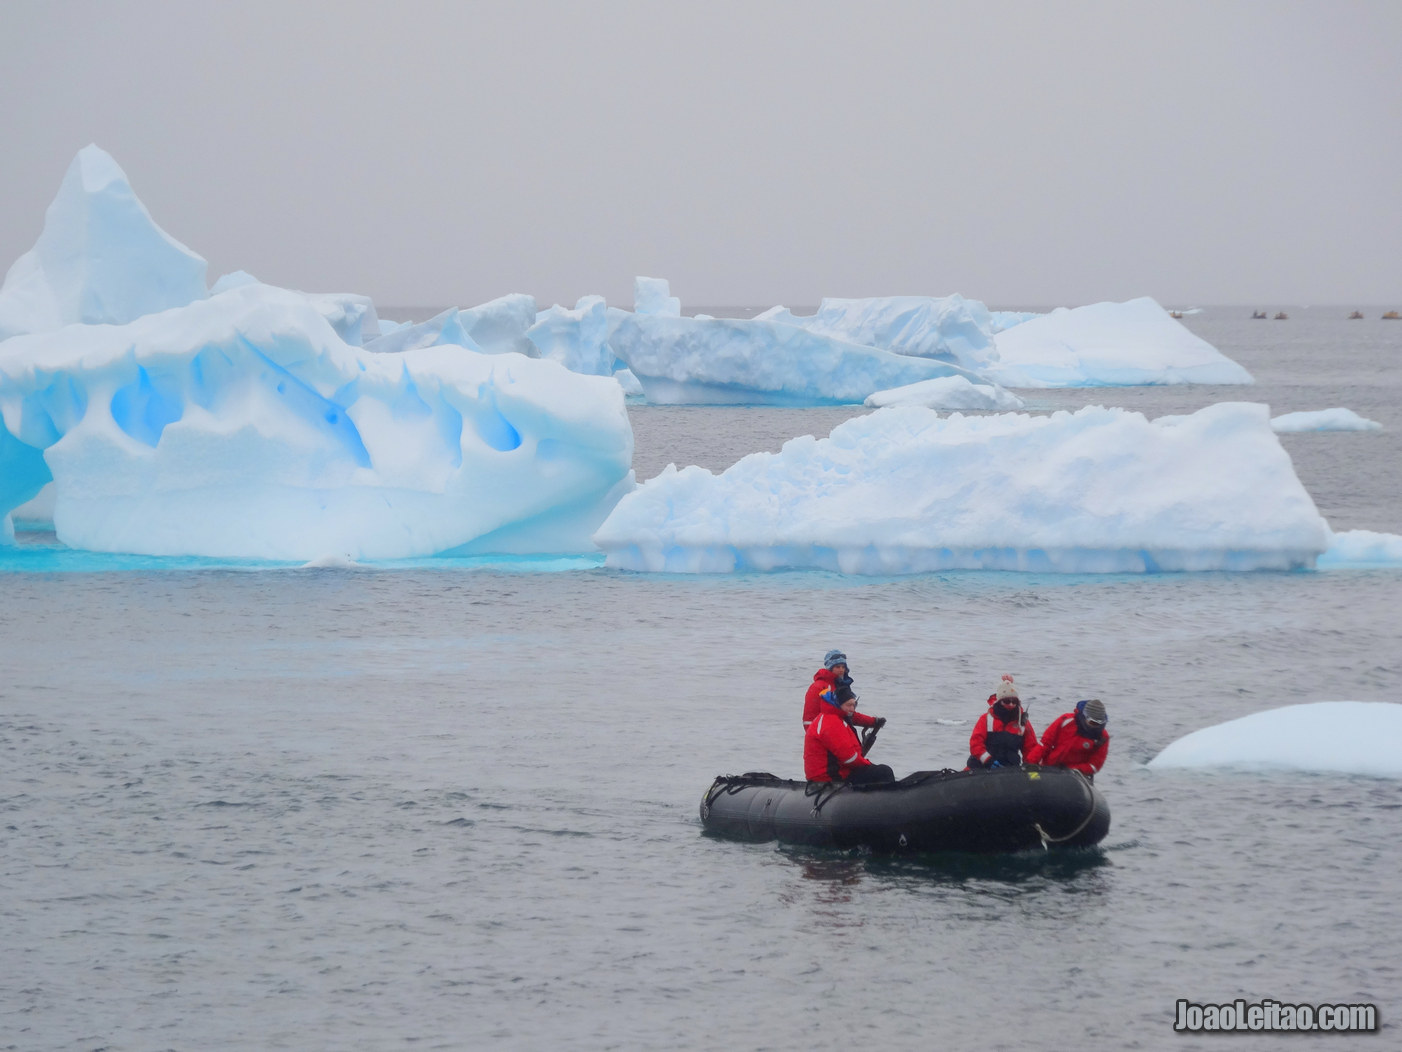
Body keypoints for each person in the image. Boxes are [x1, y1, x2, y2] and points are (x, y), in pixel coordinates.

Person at [805, 684, 894, 784]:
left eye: (854, 705)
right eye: (848, 705)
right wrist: (868, 764)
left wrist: (873, 721)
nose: (852, 709)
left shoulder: (835, 718)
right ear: (838, 704)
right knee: (884, 772)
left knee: (876, 770)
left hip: (835, 771)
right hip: (828, 776)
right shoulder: (831, 723)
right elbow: (849, 758)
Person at [967, 674, 1041, 769]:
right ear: (1000, 701)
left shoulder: (1022, 723)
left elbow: (1031, 749)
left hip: (1009, 770)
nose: (1011, 704)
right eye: (1007, 701)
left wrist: (1030, 767)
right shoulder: (986, 719)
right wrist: (988, 761)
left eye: (1014, 702)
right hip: (981, 768)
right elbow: (975, 744)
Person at [803, 649, 881, 732]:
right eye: (837, 667)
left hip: (835, 729)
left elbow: (847, 713)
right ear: (830, 668)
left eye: (843, 667)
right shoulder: (819, 687)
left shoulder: (840, 686)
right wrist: (817, 735)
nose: (841, 670)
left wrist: (873, 721)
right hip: (823, 732)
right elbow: (809, 718)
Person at [1037, 699, 1109, 780]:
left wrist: (1072, 770)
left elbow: (1094, 765)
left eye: (1098, 723)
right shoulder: (1066, 721)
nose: (1094, 726)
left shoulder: (1102, 737)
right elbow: (1045, 743)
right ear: (1085, 717)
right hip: (1050, 768)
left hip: (1077, 776)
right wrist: (1030, 762)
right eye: (1092, 722)